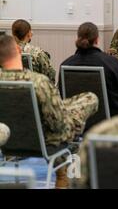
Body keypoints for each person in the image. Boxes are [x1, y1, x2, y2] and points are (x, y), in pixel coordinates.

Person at [0, 35, 98, 188]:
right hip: (45, 142)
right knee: (90, 99)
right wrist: (74, 120)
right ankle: (64, 169)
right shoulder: (39, 82)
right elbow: (58, 125)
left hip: (8, 141)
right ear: (19, 49)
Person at [59, 22, 118, 116]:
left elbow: (63, 95)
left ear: (78, 38)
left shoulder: (65, 65)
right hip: (109, 122)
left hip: (77, 122)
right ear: (96, 40)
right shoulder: (113, 63)